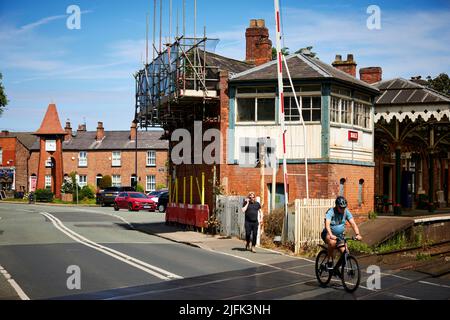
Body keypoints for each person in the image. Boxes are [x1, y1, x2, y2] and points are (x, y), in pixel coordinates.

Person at [321, 196, 362, 268]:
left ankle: (337, 269)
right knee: (332, 242)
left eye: (344, 207)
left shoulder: (346, 212)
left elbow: (353, 223)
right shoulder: (331, 211)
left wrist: (357, 234)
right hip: (328, 233)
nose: (343, 209)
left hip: (339, 236)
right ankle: (329, 259)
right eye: (341, 207)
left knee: (346, 253)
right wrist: (331, 235)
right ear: (337, 206)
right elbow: (327, 224)